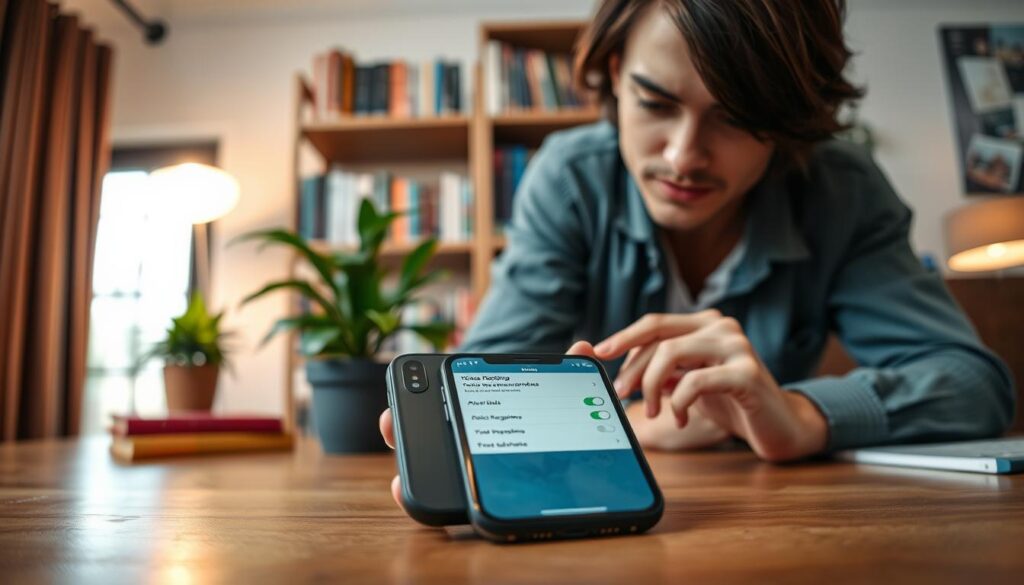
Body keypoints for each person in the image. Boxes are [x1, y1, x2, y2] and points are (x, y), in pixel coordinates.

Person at [380, 0, 1015, 503]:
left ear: (793, 120)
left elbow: (972, 384)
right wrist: (622, 426)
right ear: (610, 75)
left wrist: (801, 416)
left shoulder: (840, 190)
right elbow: (480, 391)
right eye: (656, 103)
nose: (683, 156)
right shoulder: (570, 178)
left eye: (734, 118)